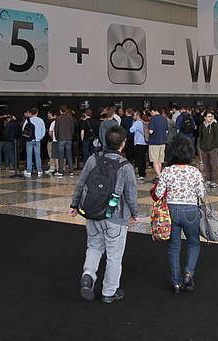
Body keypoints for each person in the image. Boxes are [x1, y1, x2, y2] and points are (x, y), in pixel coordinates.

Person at [70, 126, 138, 304]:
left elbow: (81, 183)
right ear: (123, 144)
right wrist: (135, 213)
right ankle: (109, 292)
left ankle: (89, 274)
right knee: (114, 255)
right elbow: (130, 193)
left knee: (93, 247)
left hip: (92, 213)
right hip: (115, 216)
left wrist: (74, 204)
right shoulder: (125, 166)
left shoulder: (94, 159)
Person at [155, 136, 206, 293]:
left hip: (171, 211)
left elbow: (158, 193)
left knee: (174, 246)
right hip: (191, 211)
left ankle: (176, 282)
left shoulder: (167, 171)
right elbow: (202, 193)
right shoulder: (194, 172)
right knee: (193, 242)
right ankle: (188, 273)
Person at [198, 111, 218, 188]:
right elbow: (200, 136)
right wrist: (201, 145)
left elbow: (217, 137)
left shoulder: (215, 125)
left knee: (214, 164)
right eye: (208, 116)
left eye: (211, 116)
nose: (210, 118)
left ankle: (214, 180)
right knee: (206, 164)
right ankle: (208, 179)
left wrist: (214, 145)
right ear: (205, 118)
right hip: (204, 148)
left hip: (213, 148)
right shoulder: (201, 126)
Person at [22, 107, 46, 178]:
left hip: (29, 140)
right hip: (37, 141)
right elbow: (43, 131)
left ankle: (29, 171)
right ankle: (39, 170)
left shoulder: (28, 120)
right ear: (37, 113)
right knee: (38, 156)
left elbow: (23, 129)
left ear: (30, 113)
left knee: (29, 156)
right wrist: (39, 138)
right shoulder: (41, 120)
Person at [53, 105, 75, 177]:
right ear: (66, 111)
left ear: (60, 111)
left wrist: (57, 137)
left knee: (61, 156)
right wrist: (71, 136)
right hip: (69, 139)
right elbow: (72, 129)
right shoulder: (70, 118)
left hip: (61, 139)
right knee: (69, 155)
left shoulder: (58, 119)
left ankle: (60, 171)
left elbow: (56, 129)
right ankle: (71, 171)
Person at [147, 108, 169, 179]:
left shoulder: (153, 119)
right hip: (162, 142)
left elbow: (151, 131)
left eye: (151, 112)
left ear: (154, 111)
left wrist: (147, 130)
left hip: (154, 142)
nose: (151, 113)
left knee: (155, 160)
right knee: (160, 160)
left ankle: (159, 175)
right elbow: (166, 131)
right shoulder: (164, 119)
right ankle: (159, 174)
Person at [129, 109, 148, 182]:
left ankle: (141, 175)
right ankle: (143, 173)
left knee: (139, 159)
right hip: (145, 142)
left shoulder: (137, 122)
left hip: (139, 143)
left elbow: (131, 130)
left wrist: (133, 123)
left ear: (137, 115)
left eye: (134, 115)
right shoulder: (143, 122)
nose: (133, 116)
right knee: (143, 159)